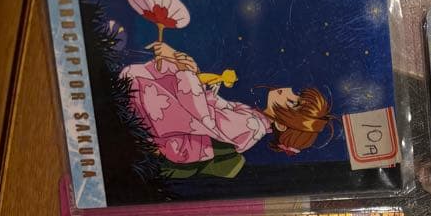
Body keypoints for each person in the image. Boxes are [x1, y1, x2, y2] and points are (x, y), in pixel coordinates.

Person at [122, 41, 333, 180]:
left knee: (141, 88)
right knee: (162, 75)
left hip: (183, 139)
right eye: (297, 95)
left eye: (293, 103)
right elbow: (209, 106)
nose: (288, 92)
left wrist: (186, 72)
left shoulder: (251, 126)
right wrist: (190, 71)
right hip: (190, 124)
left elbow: (204, 118)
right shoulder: (253, 118)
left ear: (281, 124)